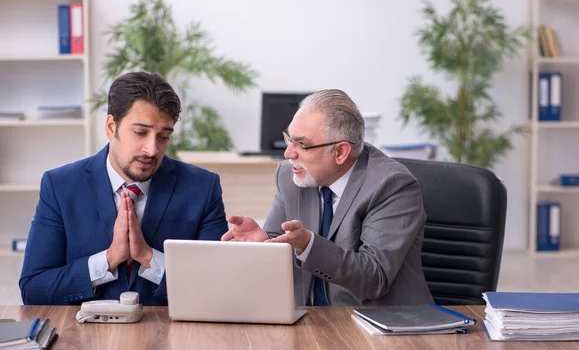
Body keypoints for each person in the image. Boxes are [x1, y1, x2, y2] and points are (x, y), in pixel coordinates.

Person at [19, 72, 228, 306]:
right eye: (140, 133)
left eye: (163, 136)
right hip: (83, 338)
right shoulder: (60, 186)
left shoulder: (202, 188)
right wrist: (108, 259)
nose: (152, 149)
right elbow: (33, 288)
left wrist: (149, 258)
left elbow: (215, 287)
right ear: (111, 127)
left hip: (170, 337)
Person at [222, 89, 433, 306]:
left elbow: (374, 277)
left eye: (301, 144)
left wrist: (308, 245)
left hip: (381, 326)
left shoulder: (392, 185)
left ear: (340, 152)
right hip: (309, 320)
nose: (289, 153)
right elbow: (282, 242)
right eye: (289, 139)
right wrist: (264, 242)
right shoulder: (289, 175)